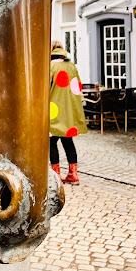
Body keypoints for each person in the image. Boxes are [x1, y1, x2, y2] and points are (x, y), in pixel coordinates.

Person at [49, 40, 87, 185]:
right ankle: (73, 174)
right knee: (68, 142)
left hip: (54, 111)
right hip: (68, 112)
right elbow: (78, 87)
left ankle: (56, 176)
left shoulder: (50, 66)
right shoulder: (71, 66)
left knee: (52, 143)